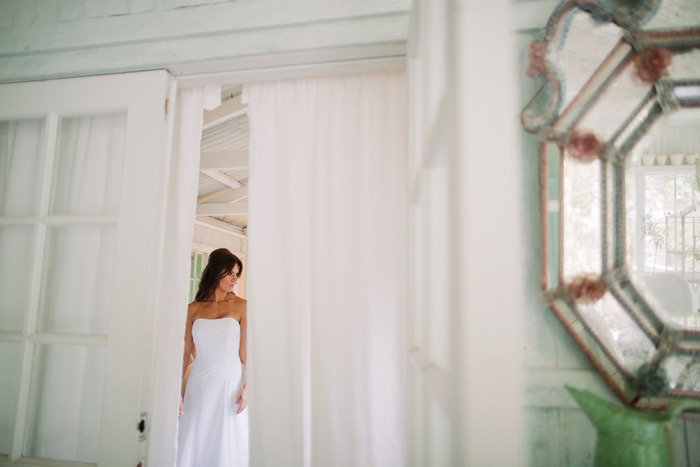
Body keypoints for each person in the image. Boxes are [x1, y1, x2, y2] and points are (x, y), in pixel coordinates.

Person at [177, 248, 248, 466]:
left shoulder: (242, 306)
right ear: (216, 272)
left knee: (228, 438)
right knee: (196, 434)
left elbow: (247, 354)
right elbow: (184, 354)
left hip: (231, 383)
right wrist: (175, 392)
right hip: (200, 382)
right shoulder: (192, 309)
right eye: (230, 273)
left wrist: (247, 388)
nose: (235, 279)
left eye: (237, 274)